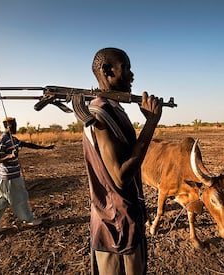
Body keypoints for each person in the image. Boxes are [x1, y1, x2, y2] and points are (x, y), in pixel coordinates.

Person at [82, 48, 162, 275]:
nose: (132, 74)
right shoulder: (100, 113)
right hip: (116, 226)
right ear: (107, 71)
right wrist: (151, 124)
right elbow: (120, 176)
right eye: (125, 67)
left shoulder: (114, 110)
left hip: (123, 219)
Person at [0, 117, 55, 235]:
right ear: (7, 126)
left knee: (0, 202)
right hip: (10, 177)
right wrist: (10, 156)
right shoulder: (3, 140)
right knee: (20, 199)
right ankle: (29, 220)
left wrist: (45, 147)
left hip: (5, 178)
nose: (15, 127)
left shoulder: (13, 139)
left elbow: (27, 144)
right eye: (13, 125)